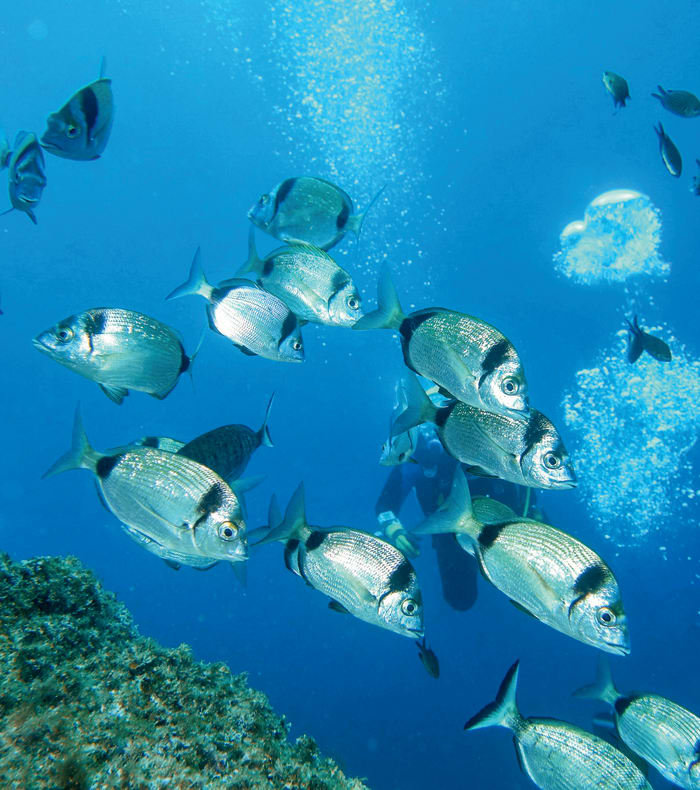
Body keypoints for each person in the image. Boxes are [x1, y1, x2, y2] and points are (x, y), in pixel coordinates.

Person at [375, 389, 537, 612]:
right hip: (448, 536)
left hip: (504, 529)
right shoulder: (420, 456)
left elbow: (518, 476)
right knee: (460, 598)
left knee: (532, 586)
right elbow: (385, 506)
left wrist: (532, 511)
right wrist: (395, 531)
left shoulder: (482, 445)